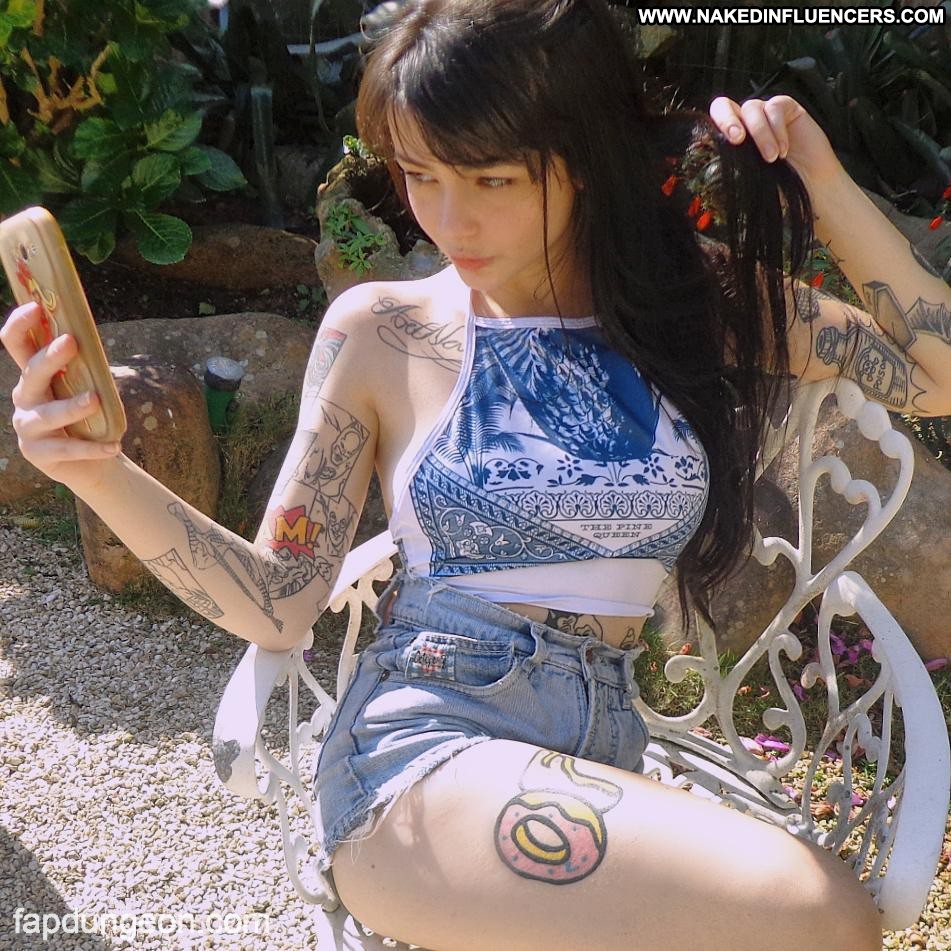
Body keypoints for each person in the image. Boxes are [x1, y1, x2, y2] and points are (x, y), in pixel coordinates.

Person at [3, 1, 949, 947]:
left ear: (584, 156)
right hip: (425, 746)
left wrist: (820, 179)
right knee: (818, 911)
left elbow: (935, 375)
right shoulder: (382, 331)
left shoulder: (696, 303)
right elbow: (277, 602)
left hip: (597, 742)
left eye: (491, 179)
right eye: (420, 175)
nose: (449, 219)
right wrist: (96, 469)